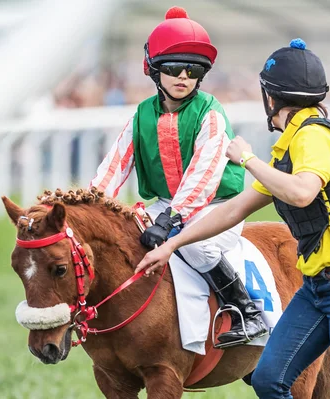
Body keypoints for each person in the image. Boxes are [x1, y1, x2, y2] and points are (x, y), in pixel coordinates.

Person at [136, 38, 330, 399]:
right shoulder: (291, 146)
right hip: (317, 286)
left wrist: (247, 159)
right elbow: (233, 209)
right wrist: (173, 244)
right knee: (268, 379)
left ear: (270, 98)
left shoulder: (315, 136)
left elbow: (302, 192)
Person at [89, 6, 268, 348]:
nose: (183, 76)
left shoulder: (211, 114)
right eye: (173, 68)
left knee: (197, 245)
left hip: (217, 208)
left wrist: (171, 220)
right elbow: (113, 167)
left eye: (193, 69)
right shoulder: (142, 115)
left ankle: (247, 312)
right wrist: (89, 206)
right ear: (155, 72)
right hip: (167, 206)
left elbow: (203, 177)